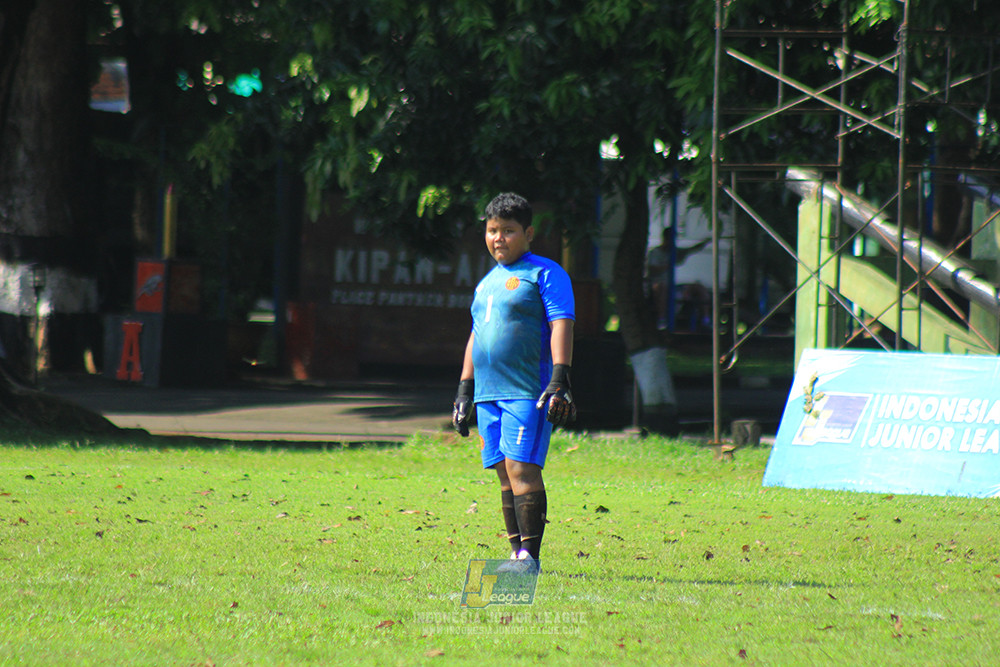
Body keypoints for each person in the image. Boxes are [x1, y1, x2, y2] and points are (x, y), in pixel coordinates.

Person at [452, 192, 576, 573]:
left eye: (508, 230)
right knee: (504, 471)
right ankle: (515, 554)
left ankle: (530, 559)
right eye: (492, 230)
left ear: (529, 233)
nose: (498, 238)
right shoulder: (487, 282)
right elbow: (477, 335)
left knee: (522, 468)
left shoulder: (545, 273)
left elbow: (562, 322)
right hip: (490, 394)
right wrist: (464, 389)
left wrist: (559, 376)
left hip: (528, 390)